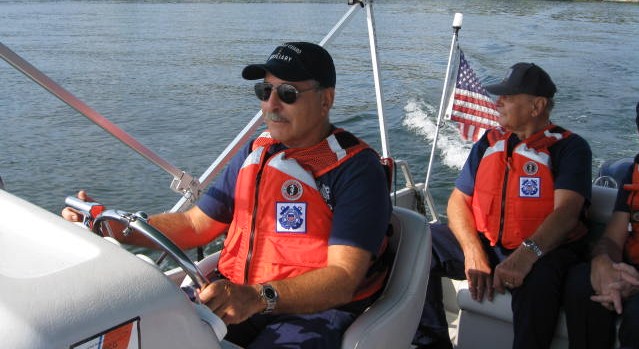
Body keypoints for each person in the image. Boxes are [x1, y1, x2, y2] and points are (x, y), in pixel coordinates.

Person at [62, 42, 392, 349]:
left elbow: (343, 278)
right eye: (265, 91)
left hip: (313, 310)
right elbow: (195, 225)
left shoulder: (355, 169)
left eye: (288, 93)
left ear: (326, 100)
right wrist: (106, 224)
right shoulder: (255, 152)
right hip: (235, 294)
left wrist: (258, 297)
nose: (271, 105)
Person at [413, 62, 592, 349]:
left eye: (508, 97)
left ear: (537, 106)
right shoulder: (488, 142)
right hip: (488, 243)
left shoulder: (570, 148)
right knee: (419, 243)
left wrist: (524, 256)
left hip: (544, 250)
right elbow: (459, 199)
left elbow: (567, 213)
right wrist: (472, 251)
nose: (498, 103)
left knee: (540, 284)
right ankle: (430, 343)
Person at [564, 101, 639, 349]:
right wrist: (603, 265)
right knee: (582, 283)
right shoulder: (634, 173)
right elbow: (612, 238)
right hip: (631, 270)